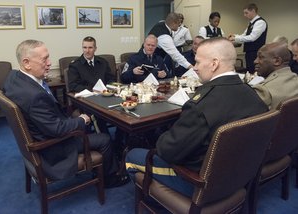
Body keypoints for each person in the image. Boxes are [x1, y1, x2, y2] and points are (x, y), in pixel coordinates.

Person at [125, 37, 268, 197]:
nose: (195, 68)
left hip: (200, 182)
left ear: (214, 64)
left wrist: (164, 135)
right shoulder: (253, 95)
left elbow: (167, 151)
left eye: (198, 62)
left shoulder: (200, 105)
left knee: (132, 155)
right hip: (239, 175)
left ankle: (154, 201)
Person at [3, 40, 128, 187]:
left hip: (40, 132)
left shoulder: (13, 78)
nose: (50, 63)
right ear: (26, 63)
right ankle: (110, 180)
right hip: (52, 147)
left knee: (86, 125)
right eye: (45, 59)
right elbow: (57, 129)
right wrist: (82, 119)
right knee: (105, 138)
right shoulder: (34, 96)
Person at [252, 42, 298, 109]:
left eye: (261, 57)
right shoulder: (295, 79)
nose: (255, 61)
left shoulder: (264, 90)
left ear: (277, 61)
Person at [229, 3, 268, 74]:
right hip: (249, 52)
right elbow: (244, 35)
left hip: (256, 52)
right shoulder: (251, 23)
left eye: (246, 13)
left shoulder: (260, 22)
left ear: (253, 11)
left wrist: (235, 38)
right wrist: (234, 36)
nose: (245, 15)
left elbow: (252, 38)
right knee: (249, 70)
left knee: (254, 72)